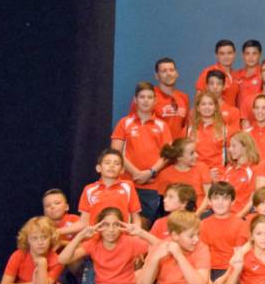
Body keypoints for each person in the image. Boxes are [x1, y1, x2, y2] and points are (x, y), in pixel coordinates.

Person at [53, 207, 158, 284]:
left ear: (122, 226)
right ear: (99, 227)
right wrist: (80, 236)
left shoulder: (130, 242)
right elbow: (62, 259)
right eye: (106, 225)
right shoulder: (93, 243)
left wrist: (141, 233)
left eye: (116, 225)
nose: (111, 230)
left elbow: (161, 246)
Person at [118, 210, 212, 284]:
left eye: (198, 234)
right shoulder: (160, 246)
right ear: (175, 235)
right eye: (191, 236)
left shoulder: (201, 248)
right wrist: (155, 258)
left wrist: (179, 256)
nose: (196, 239)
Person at [112, 81, 173, 225]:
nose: (146, 101)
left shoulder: (162, 125)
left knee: (145, 225)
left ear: (155, 101)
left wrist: (150, 172)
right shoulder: (124, 123)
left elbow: (167, 155)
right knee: (125, 224)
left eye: (150, 97)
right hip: (127, 182)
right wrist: (136, 173)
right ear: (135, 100)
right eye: (142, 97)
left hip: (152, 185)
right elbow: (116, 152)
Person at [199, 182, 249, 284]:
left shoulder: (241, 224)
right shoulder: (203, 224)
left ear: (233, 202)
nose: (220, 202)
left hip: (232, 269)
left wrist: (224, 278)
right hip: (209, 270)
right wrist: (207, 279)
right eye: (216, 198)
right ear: (209, 202)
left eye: (225, 198)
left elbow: (239, 256)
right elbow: (202, 255)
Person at [78, 149, 140, 226]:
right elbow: (83, 223)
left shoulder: (128, 186)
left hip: (121, 232)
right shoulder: (89, 189)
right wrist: (62, 231)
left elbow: (136, 220)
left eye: (117, 163)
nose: (112, 166)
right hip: (96, 233)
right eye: (107, 163)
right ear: (98, 168)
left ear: (122, 170)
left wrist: (135, 233)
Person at [156, 138, 212, 213]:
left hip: (202, 212)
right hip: (178, 215)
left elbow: (209, 195)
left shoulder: (202, 167)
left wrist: (197, 214)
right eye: (192, 153)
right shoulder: (165, 174)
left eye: (195, 152)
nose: (197, 155)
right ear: (179, 158)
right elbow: (166, 202)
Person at [187, 91, 230, 173]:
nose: (207, 107)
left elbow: (231, 158)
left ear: (216, 107)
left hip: (218, 174)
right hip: (196, 174)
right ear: (198, 108)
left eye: (210, 104)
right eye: (203, 104)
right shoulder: (188, 130)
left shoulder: (225, 130)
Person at [147, 58, 190, 138]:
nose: (169, 74)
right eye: (164, 71)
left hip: (177, 145)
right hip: (157, 145)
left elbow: (186, 127)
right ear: (157, 76)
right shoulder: (148, 97)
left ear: (177, 73)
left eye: (171, 70)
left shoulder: (184, 97)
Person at [221, 131, 259, 217]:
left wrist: (238, 217)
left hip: (241, 216)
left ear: (245, 147)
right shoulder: (229, 169)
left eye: (234, 146)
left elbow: (252, 200)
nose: (230, 149)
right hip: (223, 214)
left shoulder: (254, 170)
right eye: (230, 146)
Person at [195, 39, 239, 107]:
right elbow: (198, 98)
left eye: (229, 53)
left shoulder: (236, 75)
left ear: (234, 54)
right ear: (216, 55)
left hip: (231, 113)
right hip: (214, 113)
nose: (226, 57)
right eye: (222, 54)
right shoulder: (208, 72)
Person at [233, 39, 263, 118]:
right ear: (243, 55)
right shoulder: (235, 75)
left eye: (254, 53)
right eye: (247, 53)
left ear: (260, 55)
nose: (251, 57)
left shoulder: (264, 74)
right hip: (240, 119)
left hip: (259, 118)